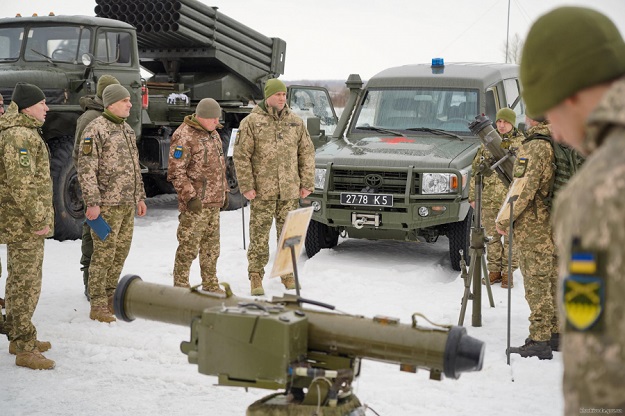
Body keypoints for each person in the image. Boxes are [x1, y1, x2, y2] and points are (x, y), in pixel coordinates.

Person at [519, 6, 625, 413]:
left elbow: (595, 368)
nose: (556, 133)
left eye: (552, 112)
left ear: (574, 93)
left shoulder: (597, 195)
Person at [233, 78, 315, 296]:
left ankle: (287, 274)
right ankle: (255, 275)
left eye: (285, 94)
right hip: (262, 191)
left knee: (289, 235)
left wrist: (306, 182)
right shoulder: (251, 122)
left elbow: (306, 153)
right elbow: (241, 156)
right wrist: (247, 185)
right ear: (268, 96)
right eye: (278, 94)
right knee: (259, 235)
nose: (282, 98)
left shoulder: (295, 122)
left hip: (289, 191)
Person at [77, 84, 147, 323]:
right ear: (111, 103)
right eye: (125, 100)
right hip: (106, 205)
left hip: (126, 203)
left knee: (120, 252)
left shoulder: (126, 129)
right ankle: (97, 302)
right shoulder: (95, 129)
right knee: (104, 254)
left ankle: (110, 295)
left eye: (130, 100)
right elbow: (86, 169)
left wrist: (140, 196)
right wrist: (93, 202)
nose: (130, 104)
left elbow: (135, 168)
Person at [0, 82, 55, 369]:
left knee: (21, 281)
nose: (47, 108)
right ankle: (24, 347)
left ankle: (19, 337)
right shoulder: (20, 136)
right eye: (42, 103)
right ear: (26, 107)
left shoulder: (24, 132)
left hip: (22, 223)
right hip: (24, 225)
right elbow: (22, 185)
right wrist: (39, 220)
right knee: (25, 284)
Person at [495, 117, 559, 360]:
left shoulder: (534, 146)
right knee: (554, 277)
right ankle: (557, 332)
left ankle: (539, 340)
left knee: (537, 283)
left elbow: (522, 189)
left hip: (536, 228)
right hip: (559, 223)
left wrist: (503, 220)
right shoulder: (561, 140)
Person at [168, 98, 228, 294]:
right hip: (195, 205)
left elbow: (220, 167)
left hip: (213, 203)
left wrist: (223, 191)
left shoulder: (214, 134)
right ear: (202, 117)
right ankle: (181, 286)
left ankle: (210, 283)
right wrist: (190, 197)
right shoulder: (184, 136)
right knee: (188, 247)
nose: (216, 122)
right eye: (213, 118)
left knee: (212, 248)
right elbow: (176, 171)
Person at [73, 75, 120, 300]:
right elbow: (81, 156)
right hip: (94, 188)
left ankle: (103, 283)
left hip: (110, 191)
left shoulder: (113, 118)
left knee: (105, 237)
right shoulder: (91, 118)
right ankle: (89, 283)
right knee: (93, 234)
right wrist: (91, 189)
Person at [469, 107, 522, 288]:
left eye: (505, 122)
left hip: (510, 200)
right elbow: (475, 171)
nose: (501, 125)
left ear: (512, 123)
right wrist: (472, 196)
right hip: (489, 200)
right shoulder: (487, 143)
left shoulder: (522, 144)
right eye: (499, 121)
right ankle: (494, 271)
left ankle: (508, 273)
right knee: (491, 237)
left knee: (510, 238)